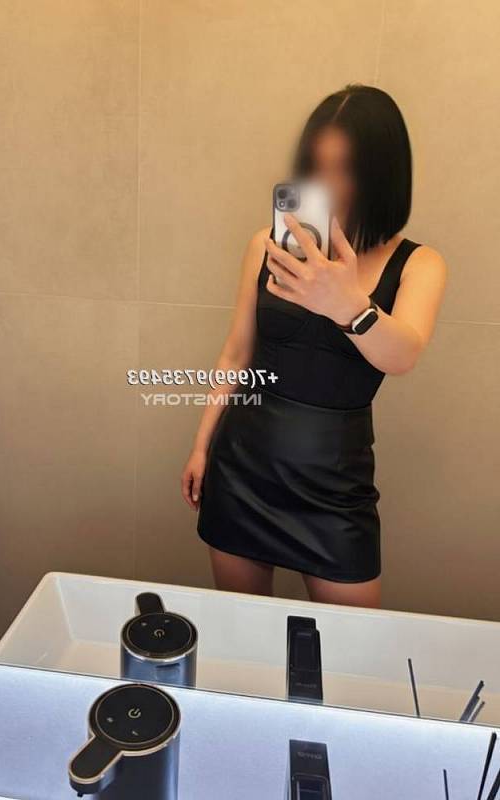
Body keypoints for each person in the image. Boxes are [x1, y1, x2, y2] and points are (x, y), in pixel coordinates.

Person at [181, 85, 447, 609]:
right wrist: (200, 445)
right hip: (244, 468)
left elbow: (403, 356)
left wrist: (349, 305)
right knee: (243, 633)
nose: (327, 184)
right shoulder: (266, 245)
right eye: (317, 166)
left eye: (345, 168)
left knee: (349, 650)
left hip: (336, 489)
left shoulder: (420, 264)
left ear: (383, 172)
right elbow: (236, 354)